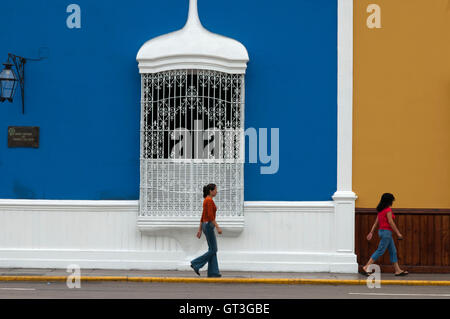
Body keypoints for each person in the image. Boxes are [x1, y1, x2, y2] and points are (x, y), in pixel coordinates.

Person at [360, 193, 409, 276]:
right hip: (386, 233)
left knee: (393, 251)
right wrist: (398, 233)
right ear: (389, 201)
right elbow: (391, 222)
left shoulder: (380, 210)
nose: (393, 202)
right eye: (392, 200)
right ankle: (366, 267)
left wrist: (371, 232)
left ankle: (397, 270)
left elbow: (376, 223)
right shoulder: (388, 210)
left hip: (383, 232)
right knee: (380, 250)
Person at [190, 183, 223, 278]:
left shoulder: (207, 200)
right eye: (215, 189)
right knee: (214, 249)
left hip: (205, 225)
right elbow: (210, 216)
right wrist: (217, 227)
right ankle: (196, 263)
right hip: (208, 225)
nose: (217, 191)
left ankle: (213, 272)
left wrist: (200, 229)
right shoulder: (208, 201)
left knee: (212, 249)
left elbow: (203, 216)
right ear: (210, 191)